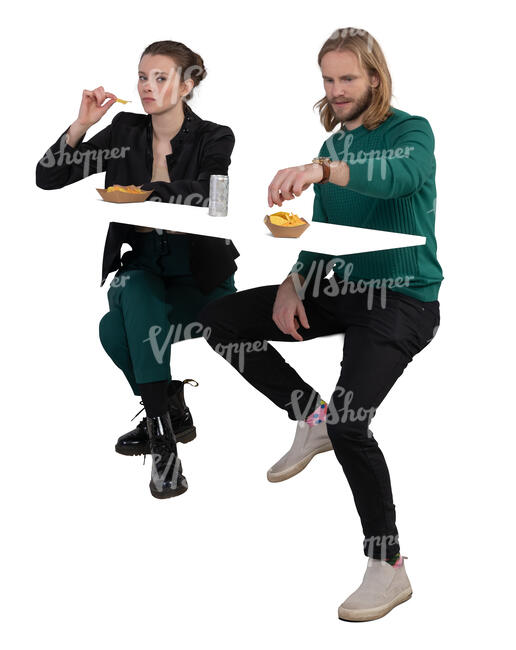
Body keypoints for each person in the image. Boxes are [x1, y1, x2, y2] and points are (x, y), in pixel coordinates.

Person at [199, 27, 443, 621]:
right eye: (329, 80)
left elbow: (398, 180)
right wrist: (292, 281)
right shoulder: (332, 146)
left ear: (375, 78)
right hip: (338, 290)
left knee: (353, 423)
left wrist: (321, 171)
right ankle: (311, 418)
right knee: (218, 320)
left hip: (402, 299)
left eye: (348, 79)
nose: (336, 91)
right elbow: (323, 237)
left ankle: (388, 567)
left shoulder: (410, 133)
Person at [36, 40, 239, 500]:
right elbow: (48, 176)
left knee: (114, 329)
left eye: (160, 78)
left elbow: (215, 196)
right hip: (144, 269)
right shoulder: (125, 129)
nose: (147, 87)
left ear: (187, 85)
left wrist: (144, 193)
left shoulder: (215, 136)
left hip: (200, 282)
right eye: (143, 77)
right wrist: (82, 126)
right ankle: (165, 437)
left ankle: (164, 407)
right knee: (133, 293)